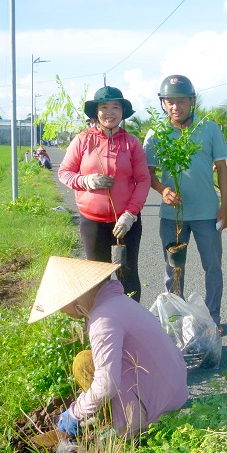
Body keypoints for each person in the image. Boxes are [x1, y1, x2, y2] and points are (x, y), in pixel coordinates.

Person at [28, 256, 188, 438]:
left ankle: (130, 430)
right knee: (84, 361)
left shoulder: (102, 321)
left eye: (63, 309)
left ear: (74, 299)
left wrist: (75, 413)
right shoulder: (117, 302)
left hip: (161, 409)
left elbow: (106, 385)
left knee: (88, 370)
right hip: (175, 391)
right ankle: (112, 417)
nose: (67, 315)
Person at [144, 74, 227, 333]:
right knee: (173, 269)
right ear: (162, 104)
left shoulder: (209, 128)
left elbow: (222, 169)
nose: (175, 107)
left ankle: (212, 319)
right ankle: (176, 321)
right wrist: (162, 189)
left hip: (206, 213)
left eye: (180, 101)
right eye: (169, 102)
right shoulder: (156, 134)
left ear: (192, 101)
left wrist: (224, 206)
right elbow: (148, 173)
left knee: (212, 266)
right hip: (172, 215)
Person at [58, 86, 151, 302]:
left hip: (126, 223)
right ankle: (99, 326)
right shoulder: (83, 140)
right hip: (93, 223)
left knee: (127, 276)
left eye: (115, 107)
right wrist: (85, 181)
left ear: (122, 112)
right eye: (104, 107)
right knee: (96, 277)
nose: (109, 112)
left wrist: (130, 214)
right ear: (96, 112)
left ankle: (130, 323)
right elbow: (64, 173)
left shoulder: (131, 143)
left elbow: (143, 180)